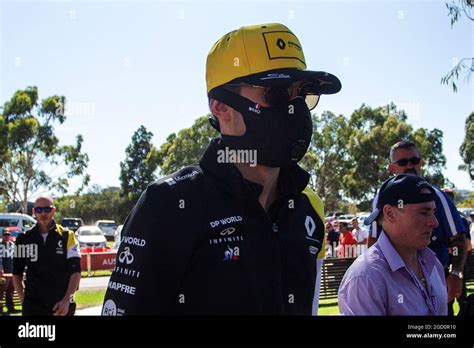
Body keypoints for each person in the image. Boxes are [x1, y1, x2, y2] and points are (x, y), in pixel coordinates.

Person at [102, 23, 341, 315]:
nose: (295, 109)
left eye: (303, 93)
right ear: (221, 107)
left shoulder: (308, 208)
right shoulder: (168, 204)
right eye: (277, 94)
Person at [367, 140, 467, 306]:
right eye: (402, 162)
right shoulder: (382, 198)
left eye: (414, 161)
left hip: (435, 282)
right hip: (395, 284)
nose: (409, 166)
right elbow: (374, 240)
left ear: (421, 163)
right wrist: (372, 271)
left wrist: (455, 272)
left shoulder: (437, 196)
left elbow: (458, 238)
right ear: (391, 168)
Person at [338, 174, 448, 315]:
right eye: (423, 212)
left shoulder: (433, 264)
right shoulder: (365, 278)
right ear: (390, 213)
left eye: (433, 212)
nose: (434, 222)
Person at [12, 196, 81, 316]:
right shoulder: (24, 239)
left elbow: (75, 271)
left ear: (53, 210)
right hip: (33, 307)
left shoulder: (67, 236)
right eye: (39, 210)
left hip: (61, 307)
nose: (43, 213)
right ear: (33, 212)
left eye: (47, 209)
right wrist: (24, 301)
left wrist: (66, 301)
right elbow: (17, 273)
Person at [0, 230, 15, 315]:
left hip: (11, 268)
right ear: (2, 236)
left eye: (8, 235)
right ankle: (1, 308)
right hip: (3, 269)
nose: (7, 236)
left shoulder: (12, 245)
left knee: (10, 289)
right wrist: (1, 268)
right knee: (1, 290)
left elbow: (14, 257)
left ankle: (10, 308)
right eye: (5, 234)